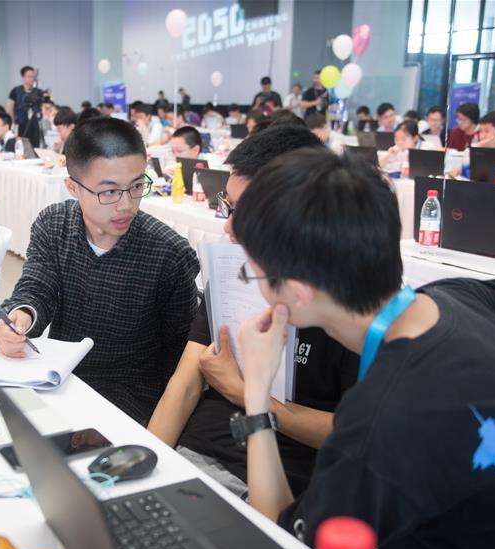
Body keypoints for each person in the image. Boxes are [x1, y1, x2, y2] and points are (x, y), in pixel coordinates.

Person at [231, 146, 495, 549]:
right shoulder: (458, 299)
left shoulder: (383, 417)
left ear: (297, 293)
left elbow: (284, 548)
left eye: (254, 275)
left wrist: (257, 394)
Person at [147, 125, 357, 497]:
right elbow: (184, 385)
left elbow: (352, 433)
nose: (229, 227)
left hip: (274, 482)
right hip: (192, 457)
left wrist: (243, 392)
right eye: (227, 206)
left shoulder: (348, 308)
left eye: (246, 213)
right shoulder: (236, 271)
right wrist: (147, 467)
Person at [0, 117, 200, 423]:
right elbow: (37, 288)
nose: (126, 205)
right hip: (60, 378)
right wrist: (21, 317)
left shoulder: (168, 253)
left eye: (136, 186)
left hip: (131, 397)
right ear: (73, 187)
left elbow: (180, 362)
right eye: (109, 192)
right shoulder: (54, 225)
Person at [7, 66, 42, 147]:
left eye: (33, 76)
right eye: (29, 76)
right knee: (21, 147)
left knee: (35, 148)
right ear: (23, 77)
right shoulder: (15, 91)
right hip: (20, 126)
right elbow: (9, 109)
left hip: (35, 127)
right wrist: (13, 124)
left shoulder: (38, 92)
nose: (32, 78)